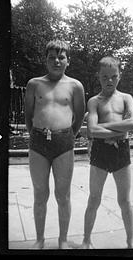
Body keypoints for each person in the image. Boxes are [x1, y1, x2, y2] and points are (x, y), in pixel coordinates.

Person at [24, 39, 85, 249]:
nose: (56, 61)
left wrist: (66, 136)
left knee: (63, 195)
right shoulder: (34, 84)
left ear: (68, 60)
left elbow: (78, 117)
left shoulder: (75, 86)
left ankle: (63, 240)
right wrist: (38, 136)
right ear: (46, 60)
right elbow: (28, 117)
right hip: (38, 142)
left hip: (64, 144)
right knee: (40, 194)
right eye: (52, 57)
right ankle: (40, 239)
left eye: (61, 57)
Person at [80, 56, 133, 249]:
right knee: (94, 199)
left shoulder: (126, 98)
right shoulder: (94, 101)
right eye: (105, 77)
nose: (109, 80)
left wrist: (104, 127)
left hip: (121, 152)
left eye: (113, 76)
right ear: (99, 77)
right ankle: (86, 241)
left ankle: (130, 243)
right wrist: (120, 130)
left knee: (125, 200)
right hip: (100, 152)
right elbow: (92, 131)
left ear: (119, 76)